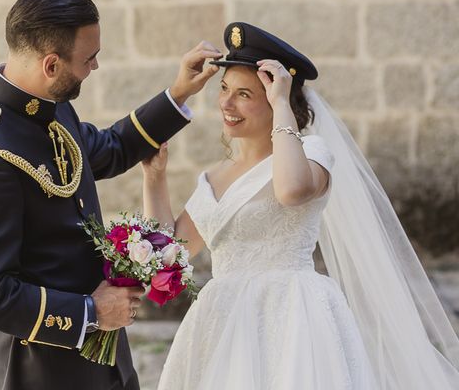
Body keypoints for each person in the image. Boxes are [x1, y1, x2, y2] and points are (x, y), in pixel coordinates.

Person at [141, 22, 459, 389]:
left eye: (244, 94)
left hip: (291, 316)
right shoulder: (214, 177)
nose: (226, 104)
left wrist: (281, 104)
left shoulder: (313, 154)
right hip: (223, 322)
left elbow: (290, 190)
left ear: (278, 99)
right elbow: (168, 255)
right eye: (225, 89)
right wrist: (155, 178)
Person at [0, 0, 222, 390]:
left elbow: (109, 149)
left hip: (108, 362)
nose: (94, 67)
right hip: (44, 371)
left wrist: (178, 92)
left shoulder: (51, 107)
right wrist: (91, 312)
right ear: (51, 65)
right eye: (88, 59)